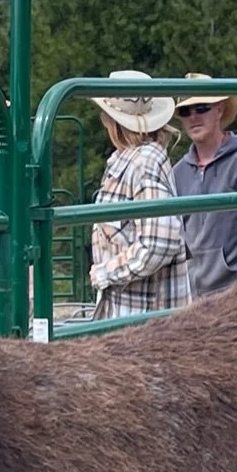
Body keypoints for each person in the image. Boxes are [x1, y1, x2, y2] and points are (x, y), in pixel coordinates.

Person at [86, 70, 190, 319]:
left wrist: (106, 273)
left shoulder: (145, 161)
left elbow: (160, 243)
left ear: (109, 120)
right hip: (131, 312)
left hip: (141, 317)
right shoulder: (128, 159)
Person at [170, 75, 237, 296]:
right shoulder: (178, 172)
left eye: (201, 108)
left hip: (233, 293)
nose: (193, 117)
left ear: (219, 109)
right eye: (185, 111)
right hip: (191, 297)